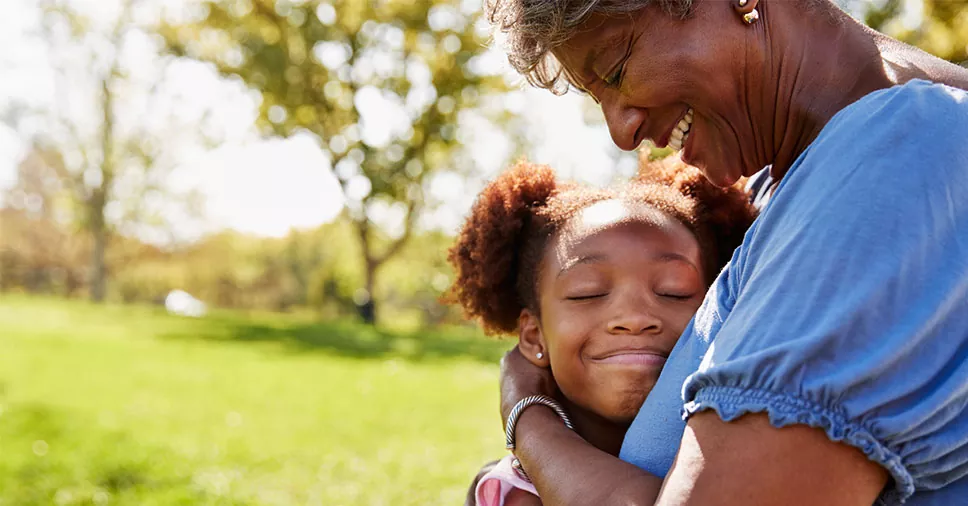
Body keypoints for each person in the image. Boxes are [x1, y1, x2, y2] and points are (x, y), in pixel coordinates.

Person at [481, 0, 968, 504]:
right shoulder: (770, 189)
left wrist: (528, 416)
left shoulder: (898, 159)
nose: (622, 133)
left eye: (618, 70)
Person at [448, 157, 756, 505]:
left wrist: (525, 413)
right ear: (534, 336)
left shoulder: (752, 449)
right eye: (588, 292)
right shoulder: (513, 494)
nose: (634, 317)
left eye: (674, 291)